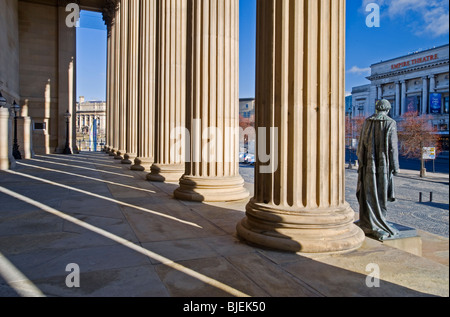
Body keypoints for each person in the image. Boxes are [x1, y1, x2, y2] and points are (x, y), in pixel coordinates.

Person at [356, 99, 400, 241]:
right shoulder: (390, 123)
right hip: (382, 167)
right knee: (379, 195)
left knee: (367, 193)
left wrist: (361, 161)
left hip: (367, 164)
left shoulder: (367, 122)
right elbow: (393, 148)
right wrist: (395, 167)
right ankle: (376, 224)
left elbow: (361, 143)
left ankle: (367, 221)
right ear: (387, 109)